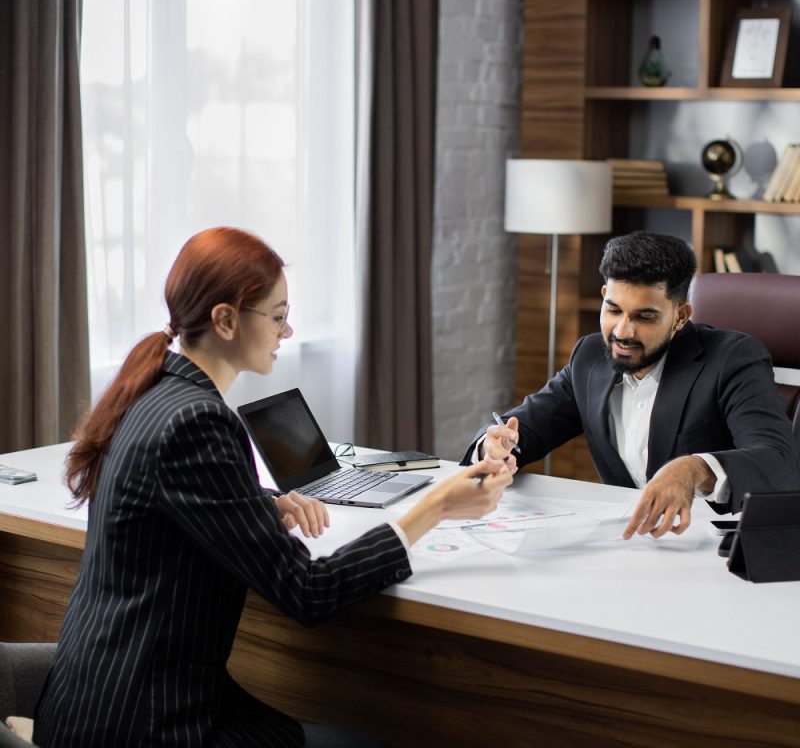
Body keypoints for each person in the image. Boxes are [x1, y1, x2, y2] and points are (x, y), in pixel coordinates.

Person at [34, 227, 513, 748]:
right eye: (278, 316)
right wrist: (435, 506)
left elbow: (165, 496)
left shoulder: (155, 389)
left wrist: (256, 500)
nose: (288, 332)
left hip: (95, 698)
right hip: (143, 723)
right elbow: (308, 593)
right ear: (225, 319)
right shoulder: (199, 422)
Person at [462, 231, 800, 540]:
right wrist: (493, 447)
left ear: (680, 317)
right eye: (614, 310)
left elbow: (778, 462)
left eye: (644, 317)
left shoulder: (732, 359)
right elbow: (523, 427)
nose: (622, 331)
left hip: (718, 549)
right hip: (628, 545)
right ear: (604, 296)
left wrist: (694, 468)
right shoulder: (589, 357)